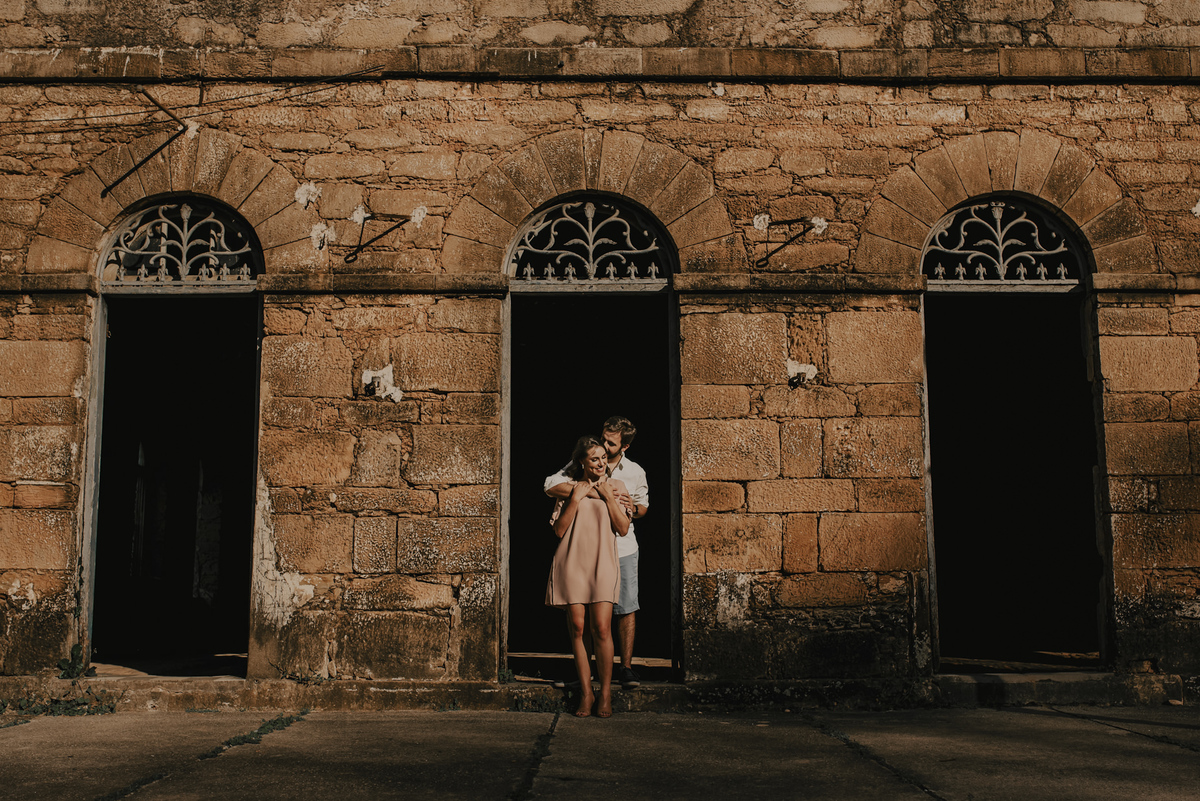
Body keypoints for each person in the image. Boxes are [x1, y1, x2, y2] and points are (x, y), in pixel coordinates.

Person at [545, 416, 648, 688]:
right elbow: (550, 486)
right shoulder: (579, 466)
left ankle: (624, 669)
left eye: (610, 445)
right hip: (583, 550)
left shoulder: (633, 472)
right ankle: (586, 675)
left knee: (625, 607)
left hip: (620, 549)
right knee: (584, 621)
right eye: (602, 439)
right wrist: (591, 492)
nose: (603, 446)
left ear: (623, 446)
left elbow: (640, 509)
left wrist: (626, 506)